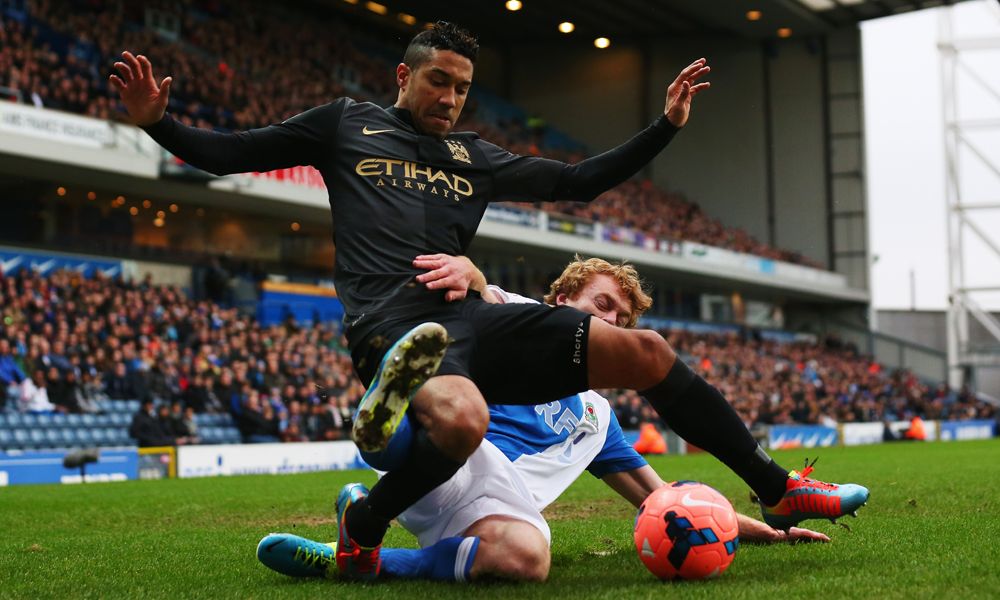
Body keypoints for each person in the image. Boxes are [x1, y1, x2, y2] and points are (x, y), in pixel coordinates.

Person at [111, 22, 862, 579]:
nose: (450, 96)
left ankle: (778, 489)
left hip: (474, 321)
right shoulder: (346, 123)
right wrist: (158, 125)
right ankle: (370, 498)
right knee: (465, 419)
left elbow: (580, 183)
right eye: (438, 80)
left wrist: (664, 127)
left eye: (463, 87)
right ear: (403, 77)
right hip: (391, 322)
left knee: (647, 352)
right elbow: (232, 153)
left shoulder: (475, 158)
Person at [256, 257, 831, 582]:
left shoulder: (597, 416)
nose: (612, 320)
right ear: (562, 298)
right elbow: (483, 289)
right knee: (450, 419)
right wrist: (470, 270)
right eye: (602, 305)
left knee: (526, 559)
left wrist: (765, 529)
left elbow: (663, 499)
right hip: (443, 461)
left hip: (489, 512)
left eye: (621, 319)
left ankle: (354, 539)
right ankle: (386, 429)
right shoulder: (520, 318)